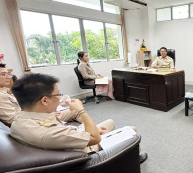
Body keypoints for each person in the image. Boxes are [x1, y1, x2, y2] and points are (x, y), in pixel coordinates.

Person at [10, 73, 148, 162]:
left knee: (109, 123)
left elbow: (63, 132)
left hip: (70, 144)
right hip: (86, 153)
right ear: (44, 100)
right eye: (58, 95)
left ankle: (124, 155)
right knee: (132, 130)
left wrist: (84, 131)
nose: (60, 98)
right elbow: (95, 139)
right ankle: (133, 159)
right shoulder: (46, 133)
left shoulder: (19, 120)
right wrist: (81, 111)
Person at [0, 64, 81, 127]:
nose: (8, 77)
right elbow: (14, 121)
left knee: (67, 106)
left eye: (8, 74)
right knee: (75, 110)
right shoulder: (1, 97)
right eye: (3, 74)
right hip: (36, 121)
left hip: (36, 116)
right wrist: (44, 113)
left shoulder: (6, 91)